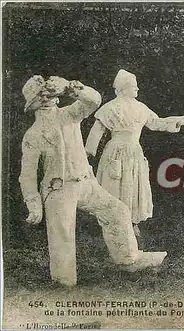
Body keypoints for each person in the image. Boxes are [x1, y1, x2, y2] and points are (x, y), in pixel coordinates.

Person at [19, 75, 167, 287]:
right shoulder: (33, 134)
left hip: (86, 183)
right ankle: (64, 282)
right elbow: (28, 174)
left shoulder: (69, 115)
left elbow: (94, 100)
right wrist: (33, 203)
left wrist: (70, 88)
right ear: (34, 103)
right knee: (63, 233)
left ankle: (128, 260)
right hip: (58, 189)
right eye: (41, 95)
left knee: (117, 211)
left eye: (49, 93)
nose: (47, 98)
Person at [85, 69, 184, 237]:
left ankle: (131, 222)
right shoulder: (111, 108)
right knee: (115, 184)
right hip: (115, 151)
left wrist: (178, 120)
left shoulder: (140, 108)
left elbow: (155, 122)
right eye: (133, 87)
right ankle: (113, 223)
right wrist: (87, 155)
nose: (137, 89)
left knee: (133, 185)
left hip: (134, 151)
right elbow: (96, 132)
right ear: (123, 88)